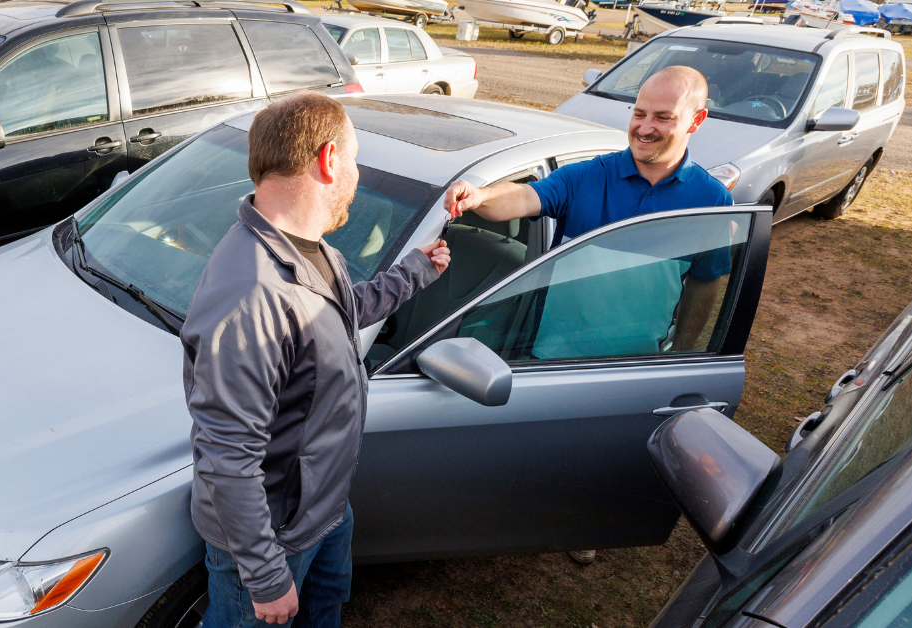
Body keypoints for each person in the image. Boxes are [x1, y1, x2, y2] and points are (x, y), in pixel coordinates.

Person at [181, 92, 451, 627]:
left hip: (325, 508)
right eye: (354, 160)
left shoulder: (313, 249)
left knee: (325, 611)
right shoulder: (251, 292)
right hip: (273, 537)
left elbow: (345, 311)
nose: (355, 173)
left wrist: (416, 271)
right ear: (329, 160)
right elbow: (228, 456)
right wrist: (264, 575)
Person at [444, 65, 731, 565]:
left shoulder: (710, 200)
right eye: (639, 113)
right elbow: (528, 197)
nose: (644, 127)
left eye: (663, 117)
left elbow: (708, 281)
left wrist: (684, 352)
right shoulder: (590, 176)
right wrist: (482, 194)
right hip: (554, 349)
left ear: (696, 120)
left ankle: (584, 527)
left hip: (635, 359)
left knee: (607, 456)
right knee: (542, 445)